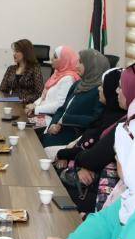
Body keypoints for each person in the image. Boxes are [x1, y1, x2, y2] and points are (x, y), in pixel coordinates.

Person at [72, 63, 135, 212]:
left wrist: (78, 159)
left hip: (115, 201)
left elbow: (96, 158)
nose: (116, 91)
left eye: (121, 87)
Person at [53, 68, 124, 213]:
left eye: (103, 86)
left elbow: (94, 157)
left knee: (52, 185)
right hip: (86, 172)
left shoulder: (120, 123)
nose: (99, 89)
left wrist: (66, 154)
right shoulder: (107, 113)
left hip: (97, 190)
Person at [42, 49, 109, 152]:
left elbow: (96, 120)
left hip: (76, 136)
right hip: (59, 131)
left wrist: (66, 119)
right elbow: (62, 108)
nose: (76, 66)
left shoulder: (100, 91)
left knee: (37, 145)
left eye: (80, 62)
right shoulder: (78, 84)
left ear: (92, 66)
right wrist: (53, 124)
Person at [25, 46, 81, 118]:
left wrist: (36, 108)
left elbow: (60, 105)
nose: (51, 59)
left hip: (51, 118)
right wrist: (34, 104)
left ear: (64, 60)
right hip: (42, 113)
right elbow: (44, 97)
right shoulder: (57, 74)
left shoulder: (68, 79)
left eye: (55, 57)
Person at [0, 39, 44, 103]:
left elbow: (39, 93)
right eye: (14, 51)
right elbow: (2, 90)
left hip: (28, 105)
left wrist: (24, 100)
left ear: (25, 53)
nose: (14, 54)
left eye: (17, 51)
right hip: (12, 104)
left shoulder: (35, 69)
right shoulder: (11, 69)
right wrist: (5, 100)